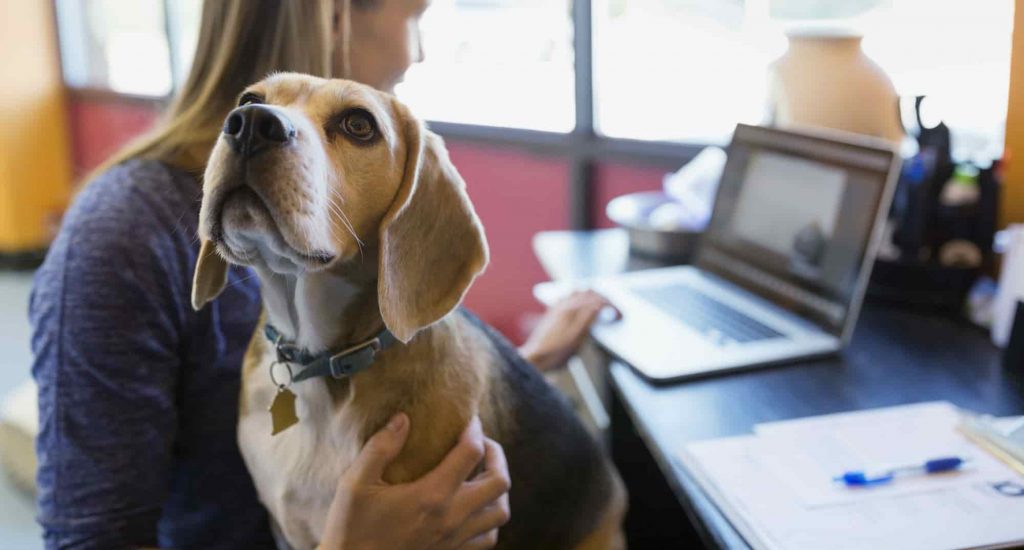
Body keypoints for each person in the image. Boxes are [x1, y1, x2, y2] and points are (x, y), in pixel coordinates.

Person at [29, 0, 613, 548]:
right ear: (333, 16)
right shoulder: (116, 237)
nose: (418, 55)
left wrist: (522, 371)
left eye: (354, 126)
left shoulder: (325, 289)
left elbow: (409, 377)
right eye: (414, 18)